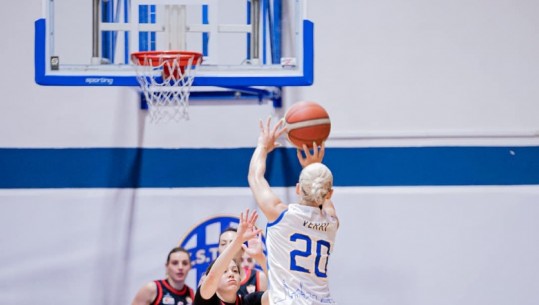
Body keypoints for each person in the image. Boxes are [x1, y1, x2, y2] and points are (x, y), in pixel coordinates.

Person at [248, 117, 339, 305]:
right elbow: (325, 200)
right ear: (329, 193)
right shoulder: (332, 222)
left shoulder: (281, 215)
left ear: (298, 188)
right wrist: (313, 167)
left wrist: (262, 146)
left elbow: (255, 177)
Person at [194, 209, 265, 305]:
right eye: (224, 271)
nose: (231, 274)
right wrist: (238, 240)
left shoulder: (249, 300)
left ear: (240, 279)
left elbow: (280, 292)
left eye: (235, 271)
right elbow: (212, 276)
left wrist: (261, 258)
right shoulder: (208, 298)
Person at [218, 227, 268, 296]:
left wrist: (261, 259)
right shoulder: (209, 279)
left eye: (233, 243)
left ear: (243, 249)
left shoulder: (258, 277)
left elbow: (280, 293)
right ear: (218, 250)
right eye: (223, 244)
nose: (228, 247)